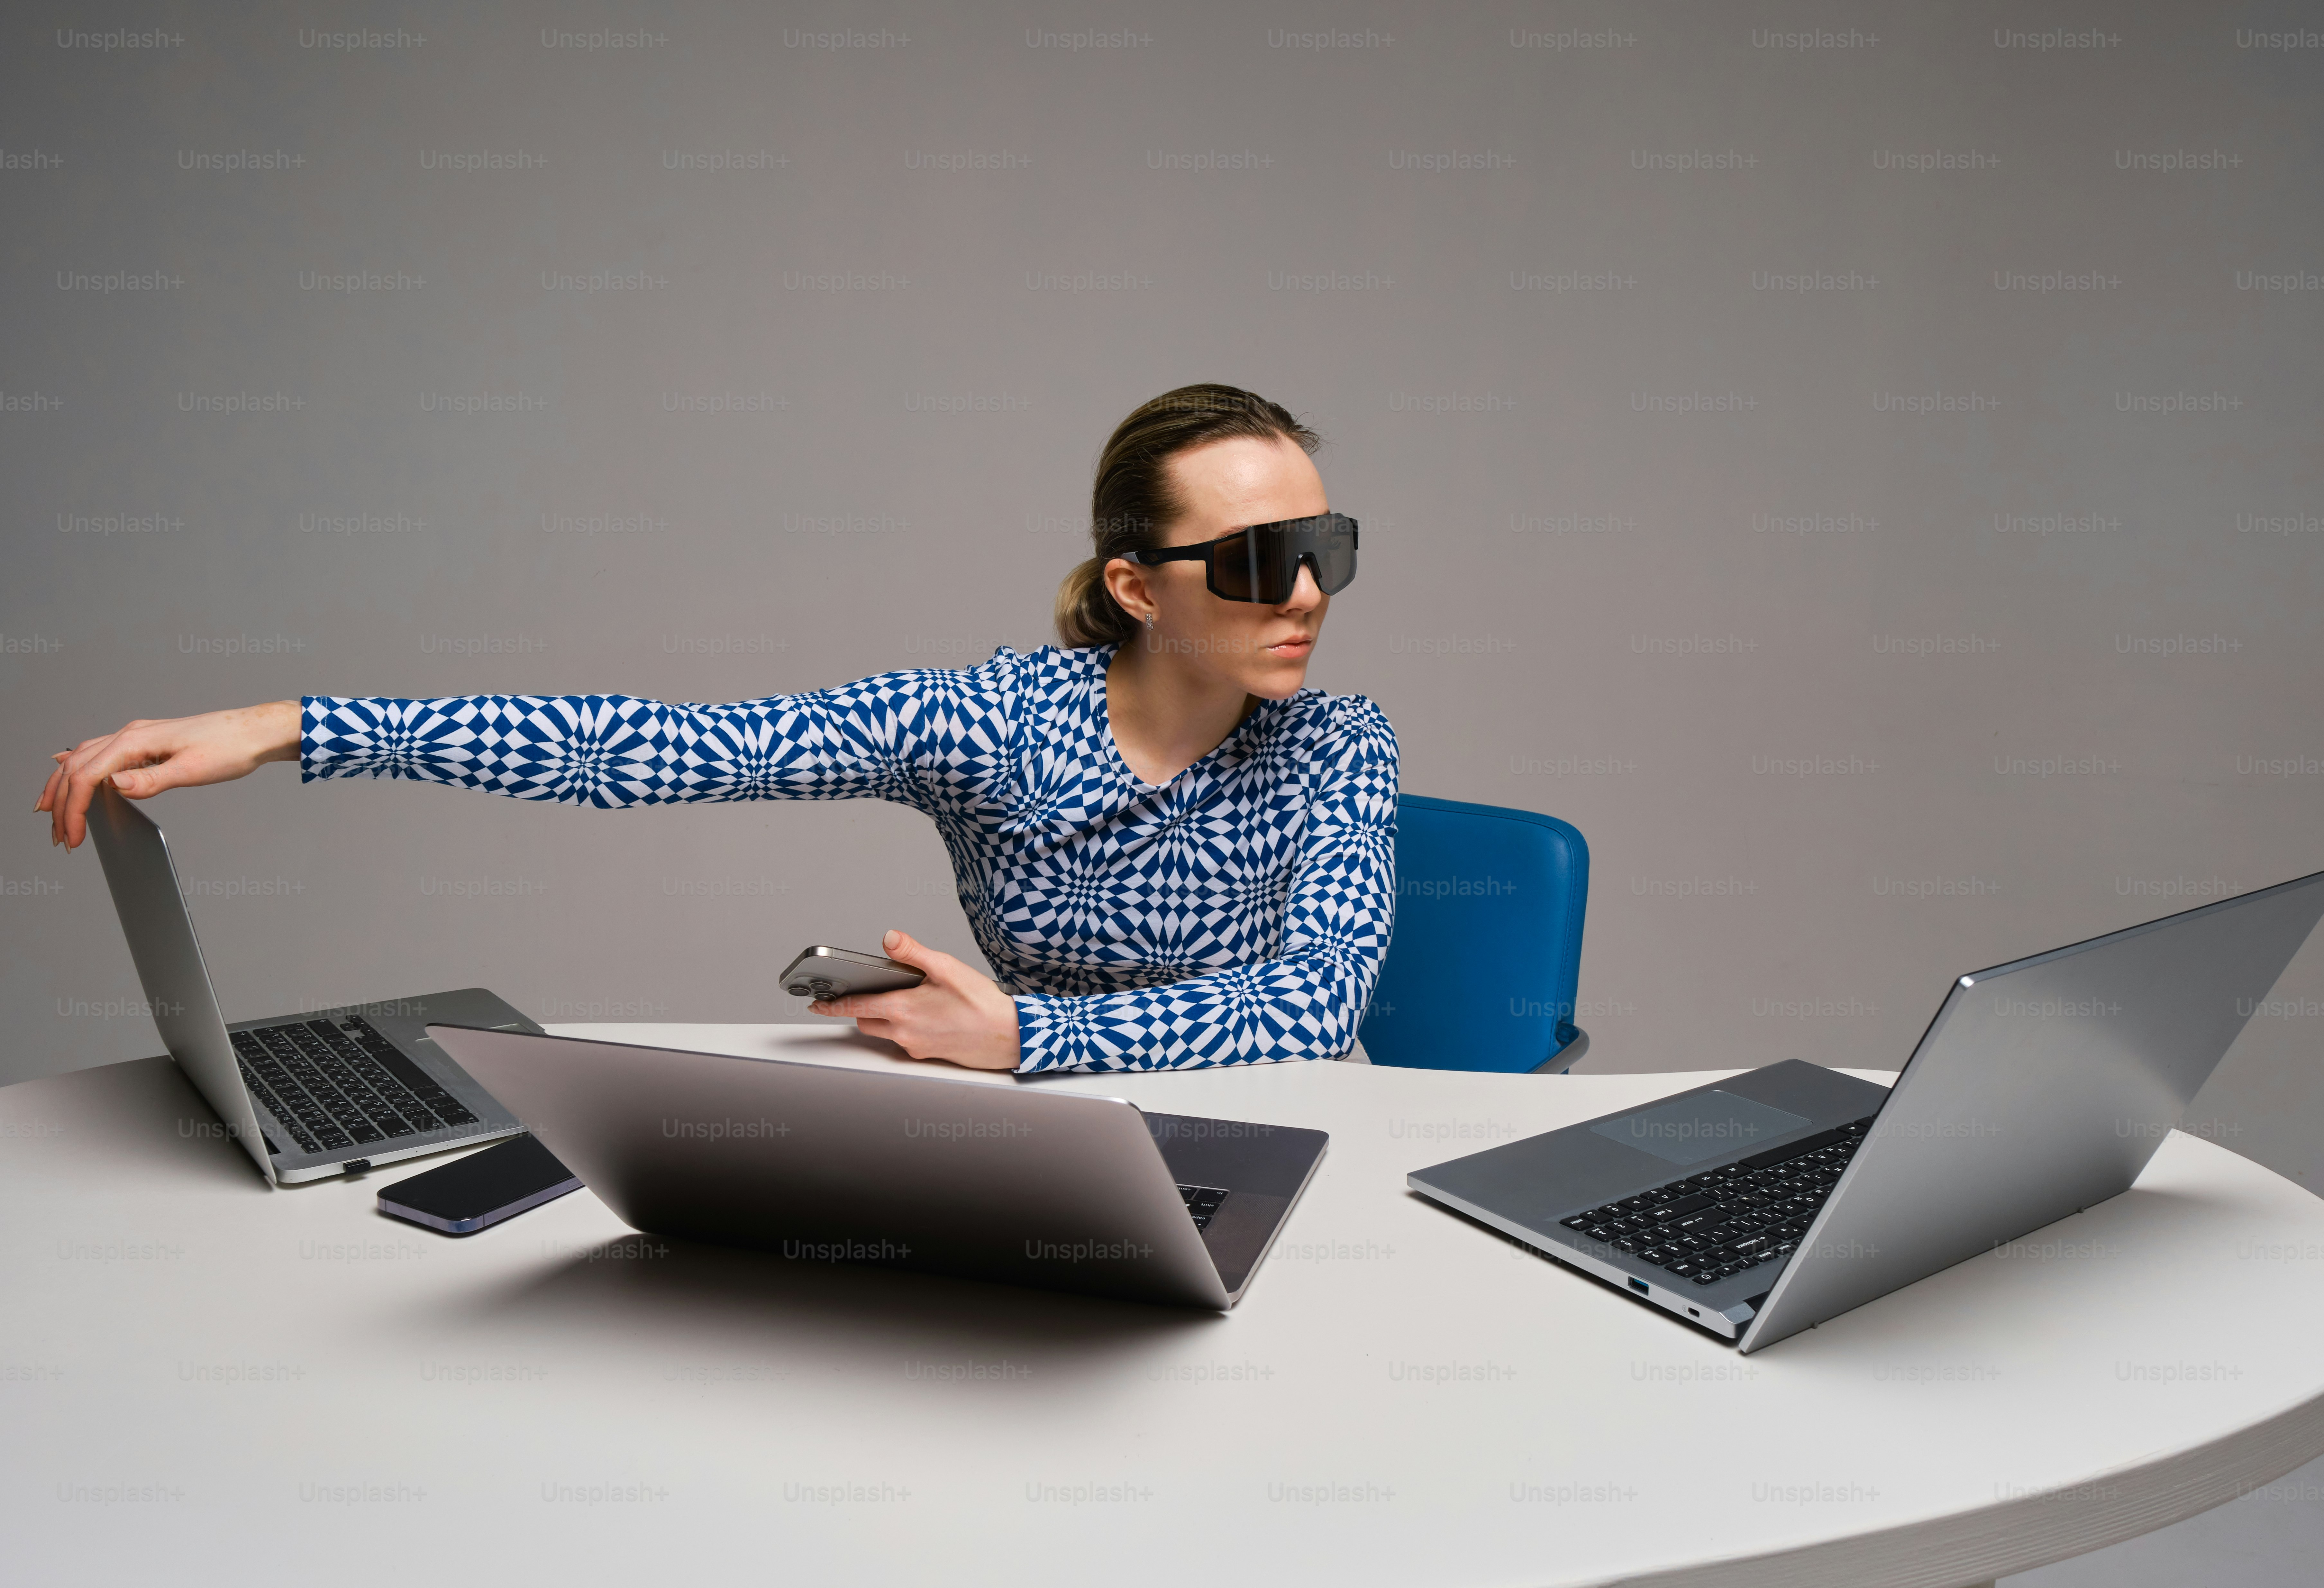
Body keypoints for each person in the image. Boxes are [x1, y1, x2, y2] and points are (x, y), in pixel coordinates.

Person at [36, 384, 1399, 1076]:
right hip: (1043, 1143)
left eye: (1319, 548)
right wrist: (293, 724)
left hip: (1287, 1135)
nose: (1299, 596)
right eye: (1247, 559)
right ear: (1129, 585)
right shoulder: (993, 721)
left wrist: (1029, 1039)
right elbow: (668, 748)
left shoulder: (1342, 744)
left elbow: (1317, 998)